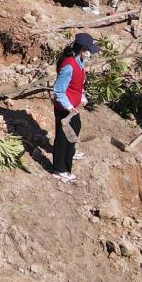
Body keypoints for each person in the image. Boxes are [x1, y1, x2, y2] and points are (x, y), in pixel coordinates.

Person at [52, 33, 98, 183]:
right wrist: (69, 107)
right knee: (63, 138)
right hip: (64, 108)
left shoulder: (80, 62)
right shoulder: (69, 66)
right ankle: (60, 169)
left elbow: (78, 85)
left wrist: (82, 97)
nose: (91, 53)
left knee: (75, 127)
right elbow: (58, 90)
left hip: (72, 107)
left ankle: (70, 151)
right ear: (83, 50)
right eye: (89, 50)